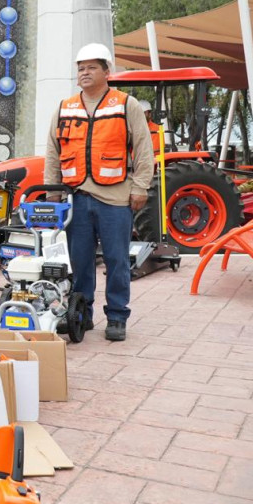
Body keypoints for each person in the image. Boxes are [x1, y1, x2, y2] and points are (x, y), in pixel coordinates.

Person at [44, 43, 154, 342]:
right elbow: (53, 152)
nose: (85, 72)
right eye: (81, 68)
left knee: (117, 260)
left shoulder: (125, 104)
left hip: (116, 199)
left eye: (92, 67)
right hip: (77, 197)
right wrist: (52, 190)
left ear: (107, 72)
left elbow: (144, 148)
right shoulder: (65, 107)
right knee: (80, 263)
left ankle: (117, 317)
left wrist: (141, 186)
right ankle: (82, 314)